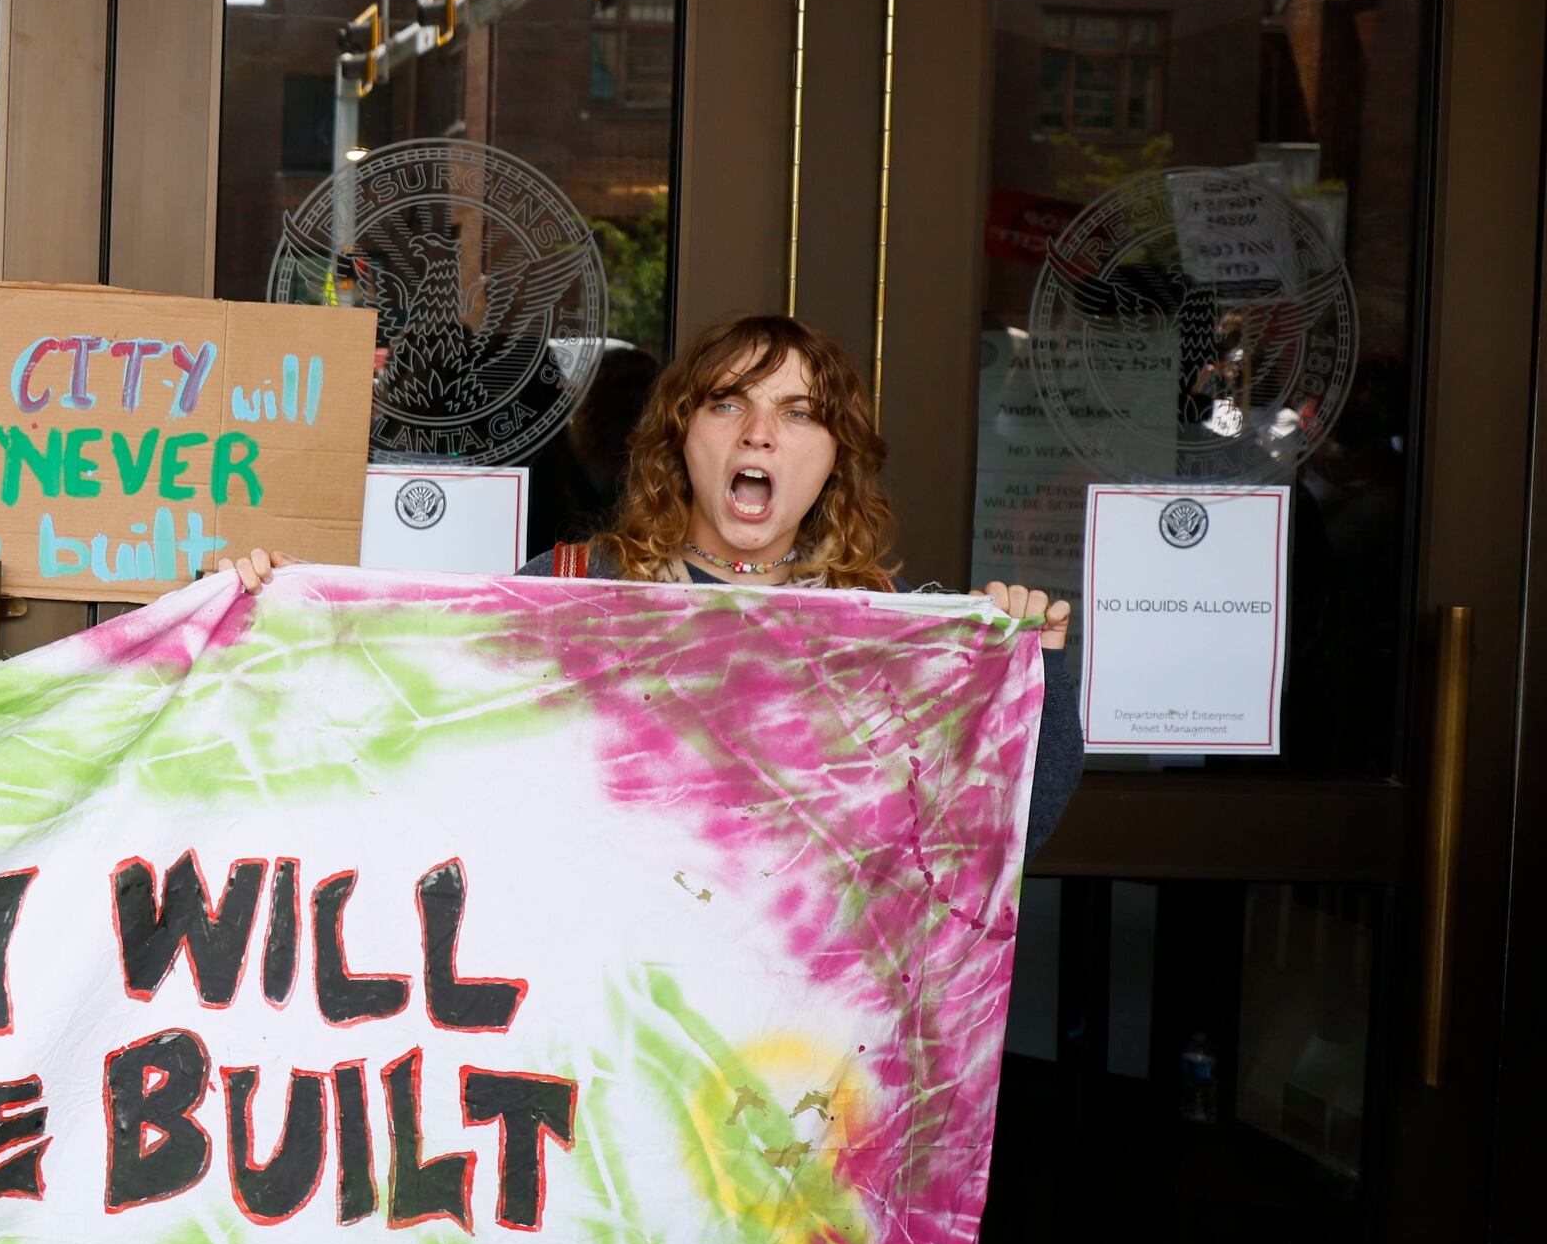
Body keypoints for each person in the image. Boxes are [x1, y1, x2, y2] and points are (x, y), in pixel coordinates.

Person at [242, 314, 1087, 855]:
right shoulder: (571, 592)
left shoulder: (896, 634)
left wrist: (1033, 675)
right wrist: (279, 622)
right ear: (680, 437)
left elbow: (996, 839)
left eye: (799, 413)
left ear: (836, 455)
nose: (760, 433)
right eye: (728, 405)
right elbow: (414, 728)